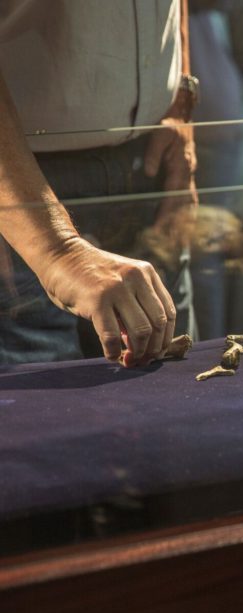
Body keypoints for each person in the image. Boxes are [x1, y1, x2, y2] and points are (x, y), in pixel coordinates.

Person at [0, 0, 198, 366]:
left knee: (178, 391)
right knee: (39, 400)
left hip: (150, 165)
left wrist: (180, 100)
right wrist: (58, 249)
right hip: (21, 197)